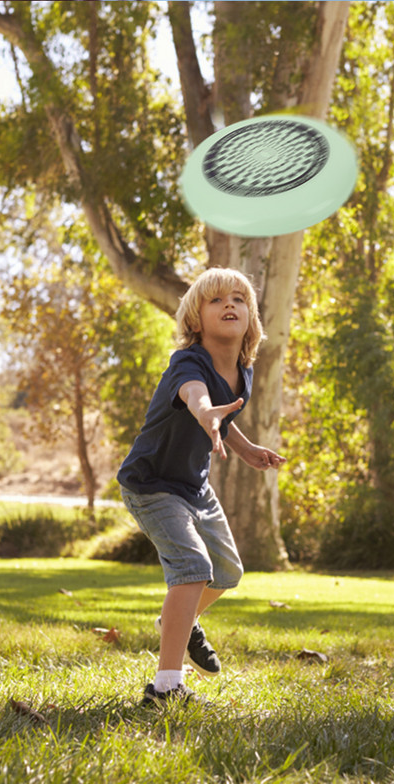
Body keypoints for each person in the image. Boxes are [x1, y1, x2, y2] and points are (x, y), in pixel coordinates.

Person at [118, 267, 286, 706]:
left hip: (194, 488)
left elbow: (222, 416)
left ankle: (179, 620)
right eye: (216, 300)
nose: (230, 304)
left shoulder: (243, 370)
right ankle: (165, 687)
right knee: (193, 567)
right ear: (195, 320)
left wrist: (246, 448)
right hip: (152, 484)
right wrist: (205, 412)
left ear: (251, 316)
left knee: (228, 571)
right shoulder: (188, 363)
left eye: (238, 299)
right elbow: (199, 398)